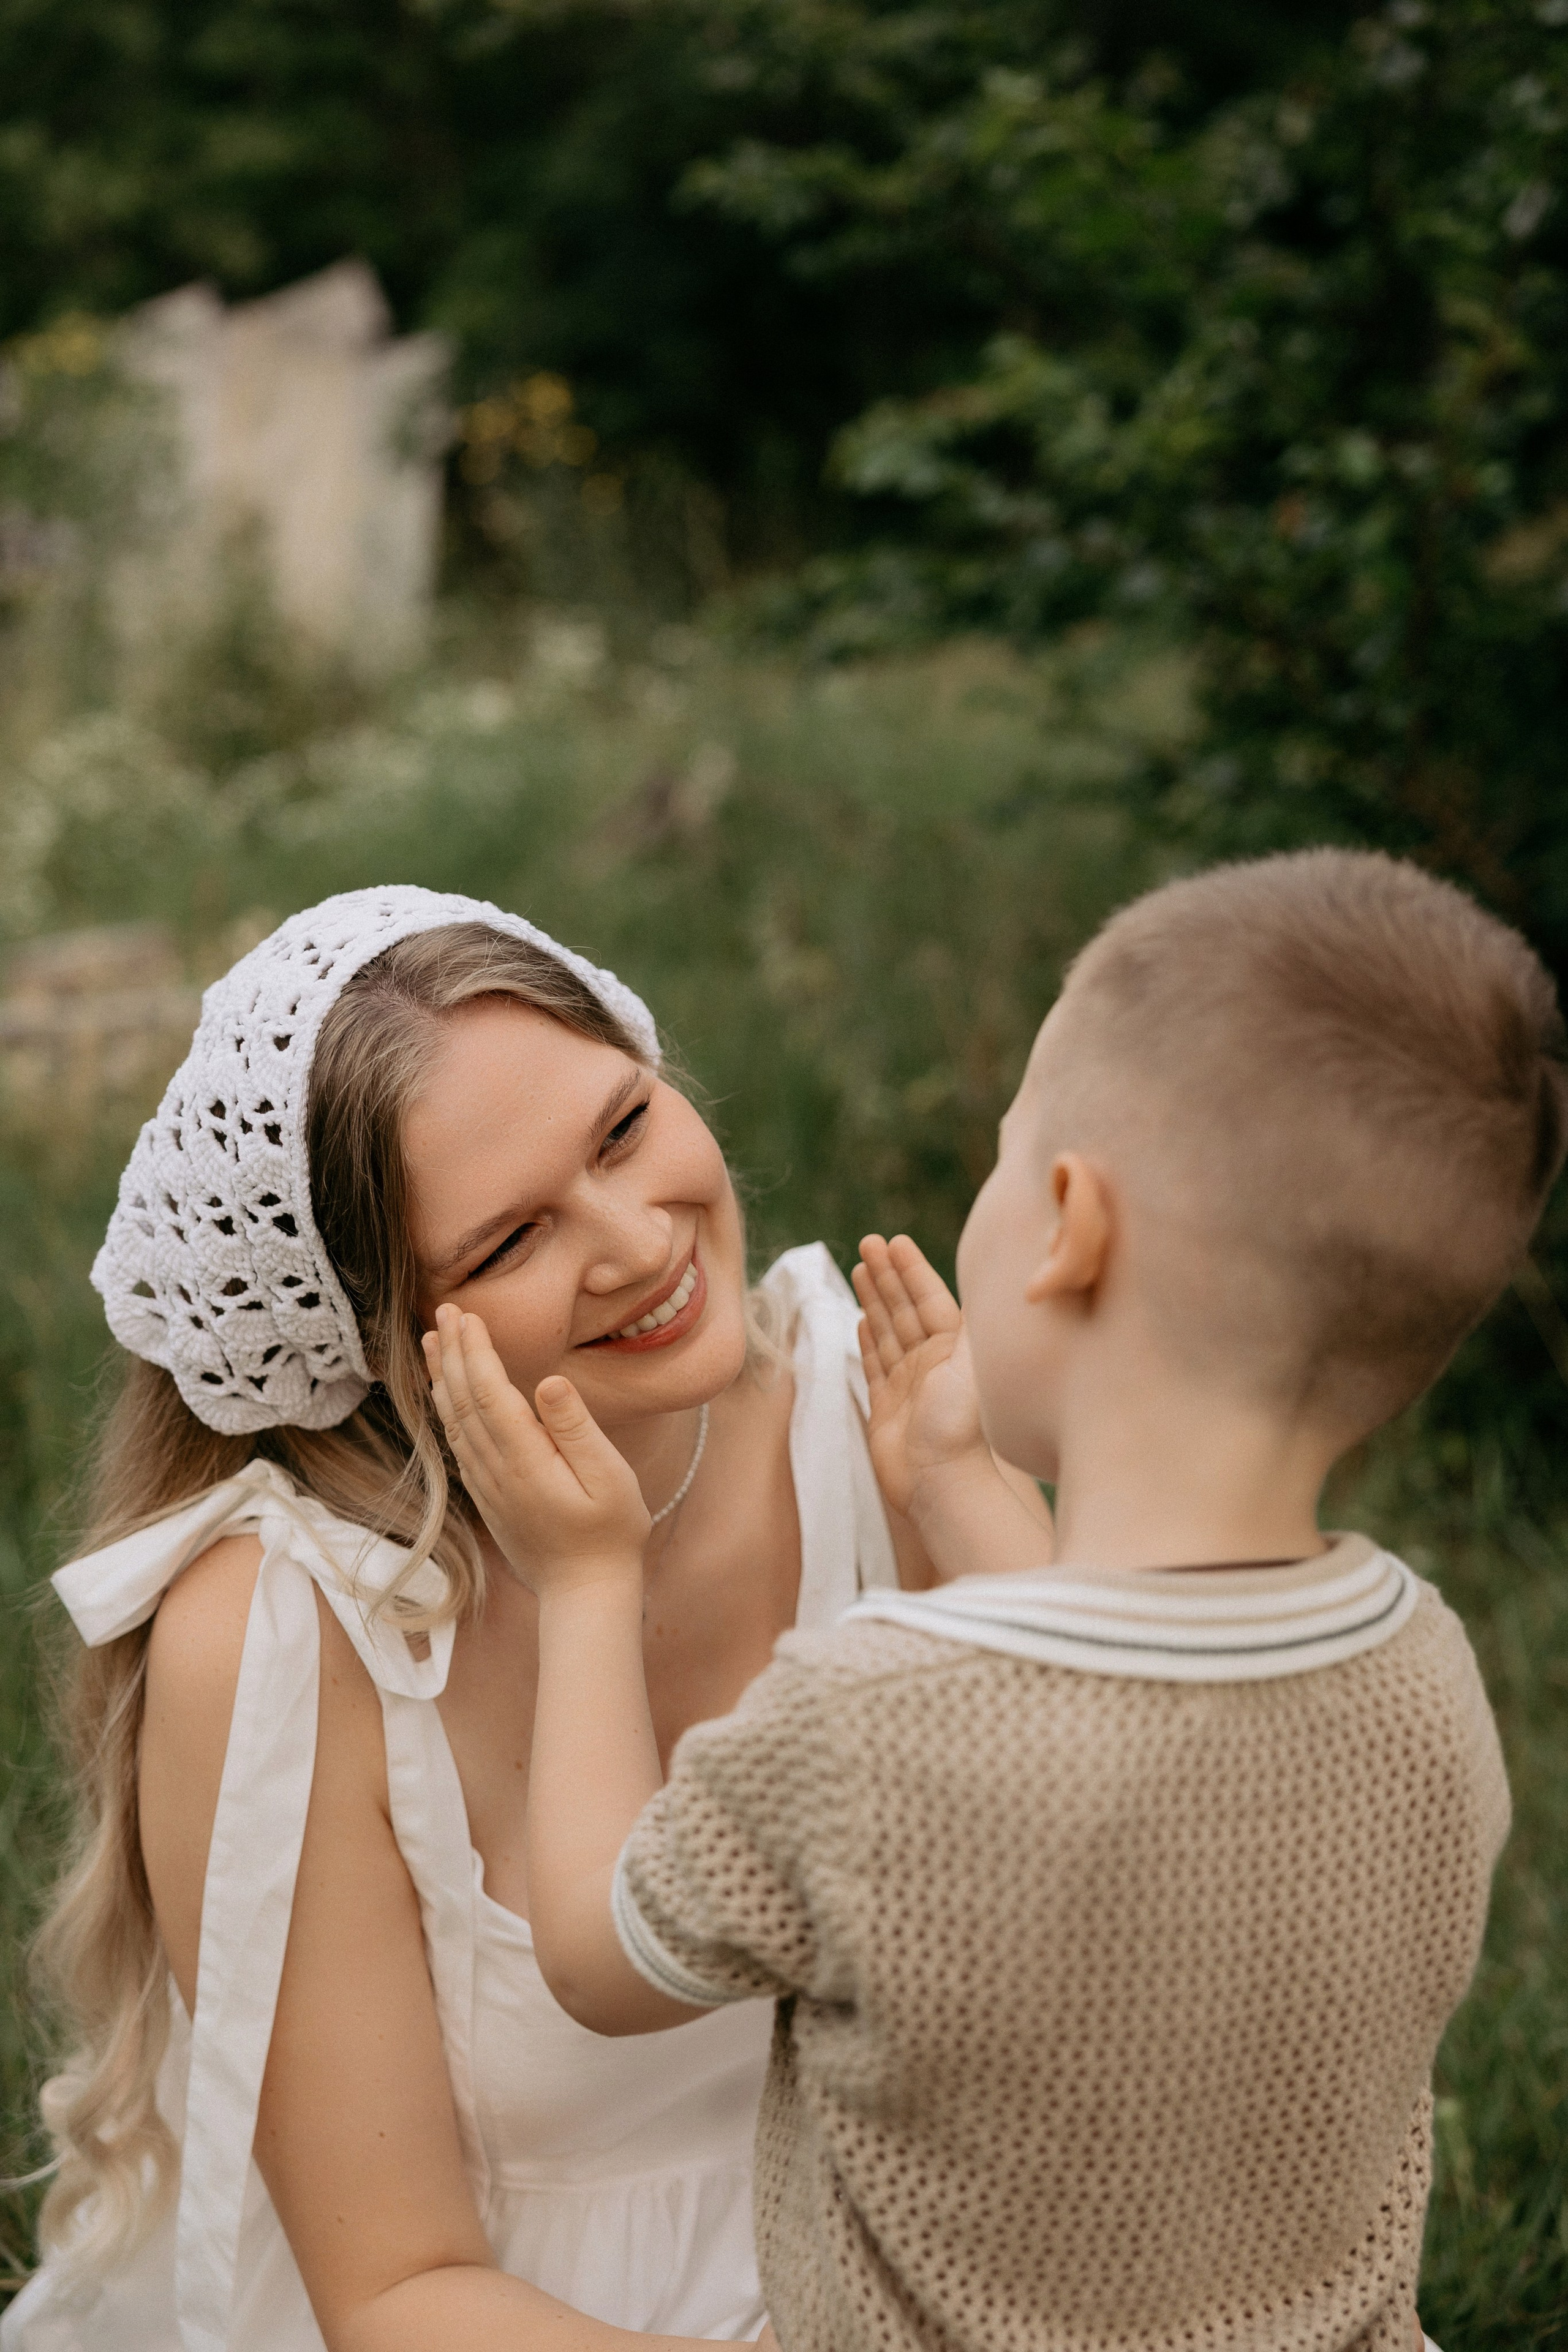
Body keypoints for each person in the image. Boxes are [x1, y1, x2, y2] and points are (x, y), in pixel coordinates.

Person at [426, 848, 1558, 2352]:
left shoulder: (870, 1721)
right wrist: (959, 1490)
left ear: (1071, 1226)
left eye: (1006, 1152)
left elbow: (594, 1953)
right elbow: (1136, 1769)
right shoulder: (1425, 1673)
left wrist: (582, 1577)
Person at [2, 884, 1049, 2352]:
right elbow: (396, 2293)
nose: (635, 1243)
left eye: (622, 1129)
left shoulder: (879, 1419)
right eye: (506, 1244)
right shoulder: (285, 1632)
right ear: (369, 1334)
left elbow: (1116, 1919)